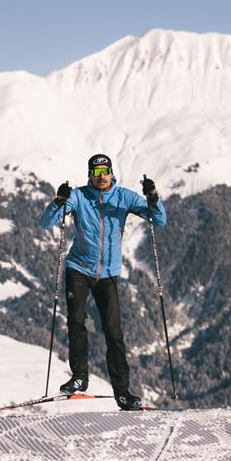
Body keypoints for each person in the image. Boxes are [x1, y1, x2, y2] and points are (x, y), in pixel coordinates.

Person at [40, 153, 167, 410]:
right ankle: (79, 378)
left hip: (108, 274)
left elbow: (159, 220)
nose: (101, 177)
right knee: (76, 322)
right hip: (78, 269)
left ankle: (122, 393)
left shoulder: (124, 197)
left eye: (105, 172)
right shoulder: (78, 196)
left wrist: (153, 198)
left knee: (113, 332)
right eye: (96, 173)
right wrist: (59, 200)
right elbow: (46, 223)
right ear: (89, 174)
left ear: (111, 172)